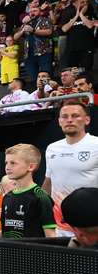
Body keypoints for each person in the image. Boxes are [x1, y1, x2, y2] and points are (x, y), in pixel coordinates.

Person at [43, 101, 98, 237]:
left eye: (75, 116)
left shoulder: (96, 144)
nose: (69, 120)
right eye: (65, 116)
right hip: (59, 224)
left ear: (87, 120)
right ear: (59, 121)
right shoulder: (52, 148)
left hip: (90, 224)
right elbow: (48, 182)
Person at [0, 144, 56, 244]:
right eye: (6, 163)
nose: (7, 167)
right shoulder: (7, 197)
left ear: (30, 166)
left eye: (13, 163)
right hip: (10, 256)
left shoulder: (41, 197)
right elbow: (6, 231)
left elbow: (51, 236)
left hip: (34, 256)